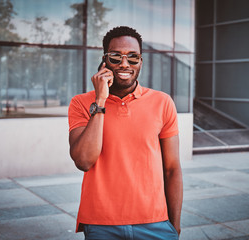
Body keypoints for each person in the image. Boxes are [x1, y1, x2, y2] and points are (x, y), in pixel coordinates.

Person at [68, 26, 183, 240]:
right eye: (116, 57)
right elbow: (83, 160)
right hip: (101, 224)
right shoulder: (81, 103)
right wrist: (100, 101)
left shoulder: (162, 102)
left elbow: (172, 169)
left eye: (132, 57)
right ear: (104, 61)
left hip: (155, 223)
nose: (124, 64)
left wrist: (174, 226)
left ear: (141, 61)